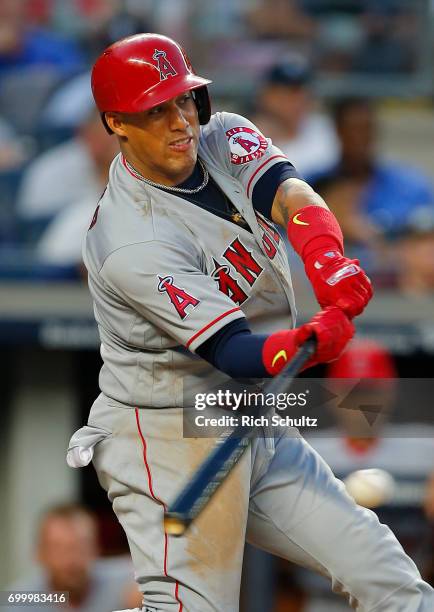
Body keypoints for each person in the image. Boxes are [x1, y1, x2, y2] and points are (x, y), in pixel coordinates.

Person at [66, 33, 433, 612]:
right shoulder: (129, 238)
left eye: (183, 100)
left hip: (242, 410)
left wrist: (326, 258)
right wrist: (306, 343)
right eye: (155, 110)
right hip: (163, 431)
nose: (179, 120)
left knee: (388, 579)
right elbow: (234, 350)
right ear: (116, 123)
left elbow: (287, 192)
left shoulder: (222, 133)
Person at [300, 340, 434, 611]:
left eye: (372, 391)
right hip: (326, 599)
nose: (362, 403)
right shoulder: (304, 449)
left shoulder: (424, 447)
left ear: (391, 394)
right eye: (353, 392)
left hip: (403, 597)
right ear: (333, 395)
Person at [8, 503, 142, 612]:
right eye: (58, 549)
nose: (71, 559)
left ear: (96, 549)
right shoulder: (21, 600)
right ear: (40, 553)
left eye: (80, 547)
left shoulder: (126, 583)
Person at [251, 56, 339, 178]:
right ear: (265, 96)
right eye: (284, 93)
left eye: (300, 92)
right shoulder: (250, 137)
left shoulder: (326, 128)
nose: (295, 101)